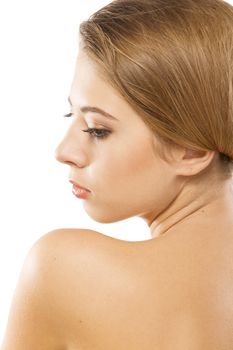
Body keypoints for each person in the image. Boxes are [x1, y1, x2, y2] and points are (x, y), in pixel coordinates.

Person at [1, 0, 233, 349]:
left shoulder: (62, 269)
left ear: (192, 150)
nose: (64, 152)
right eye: (71, 116)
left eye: (97, 129)